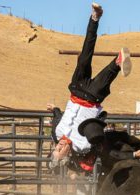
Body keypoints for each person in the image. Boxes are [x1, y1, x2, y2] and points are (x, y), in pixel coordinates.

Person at [47, 2, 132, 170]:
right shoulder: (82, 146)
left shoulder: (56, 133)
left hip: (77, 89)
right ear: (68, 154)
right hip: (91, 99)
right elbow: (97, 133)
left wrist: (54, 109)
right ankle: (119, 60)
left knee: (85, 54)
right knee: (108, 74)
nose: (60, 146)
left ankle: (95, 17)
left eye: (56, 148)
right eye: (61, 150)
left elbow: (59, 117)